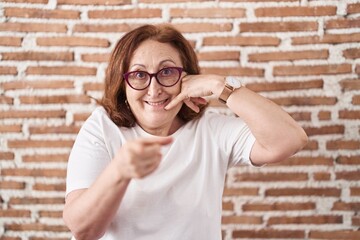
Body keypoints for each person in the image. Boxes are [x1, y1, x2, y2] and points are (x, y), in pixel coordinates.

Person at [63, 24, 308, 240]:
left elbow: (289, 140)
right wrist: (119, 171)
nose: (154, 88)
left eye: (167, 72)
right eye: (139, 75)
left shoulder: (211, 129)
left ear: (187, 77)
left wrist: (219, 85)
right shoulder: (102, 128)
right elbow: (83, 230)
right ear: (123, 83)